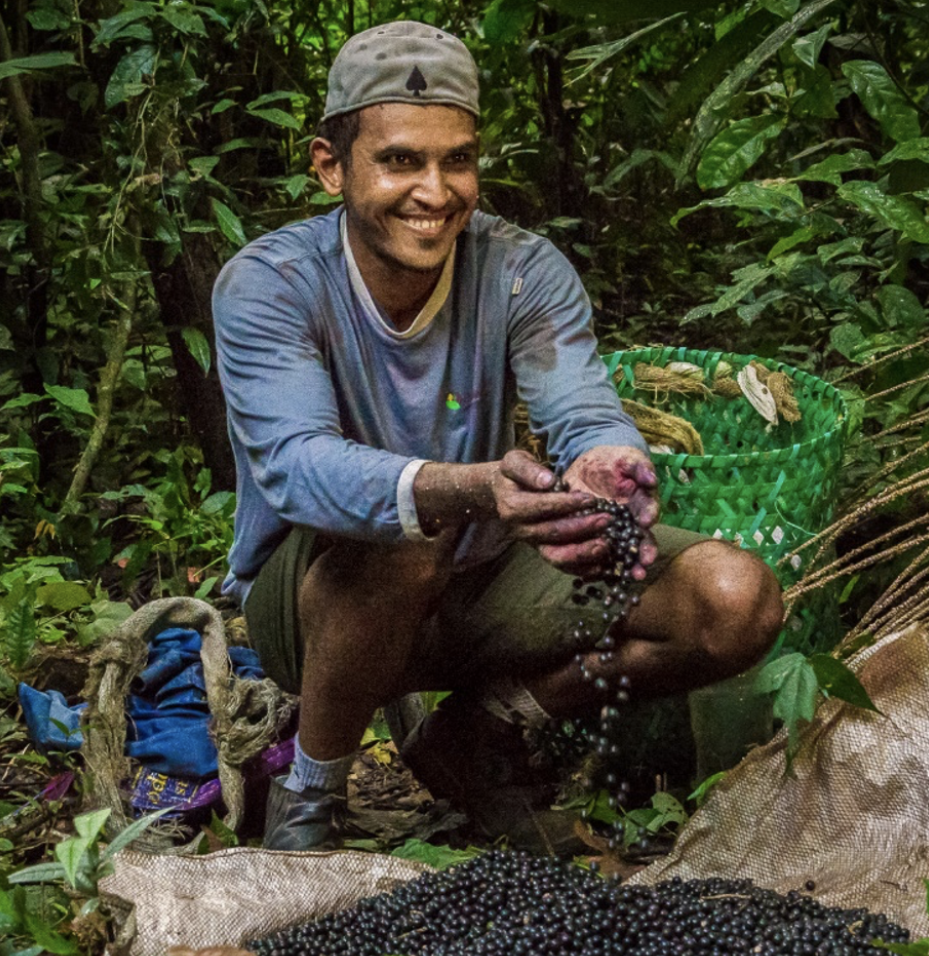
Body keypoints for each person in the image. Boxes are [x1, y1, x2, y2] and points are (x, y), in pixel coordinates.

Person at [213, 20, 784, 852]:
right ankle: (310, 798)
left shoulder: (521, 269)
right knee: (410, 534)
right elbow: (297, 470)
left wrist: (604, 462)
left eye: (459, 160)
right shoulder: (271, 284)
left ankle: (482, 732)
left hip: (486, 579)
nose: (436, 191)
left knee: (735, 601)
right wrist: (472, 486)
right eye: (402, 160)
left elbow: (580, 406)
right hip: (321, 601)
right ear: (331, 166)